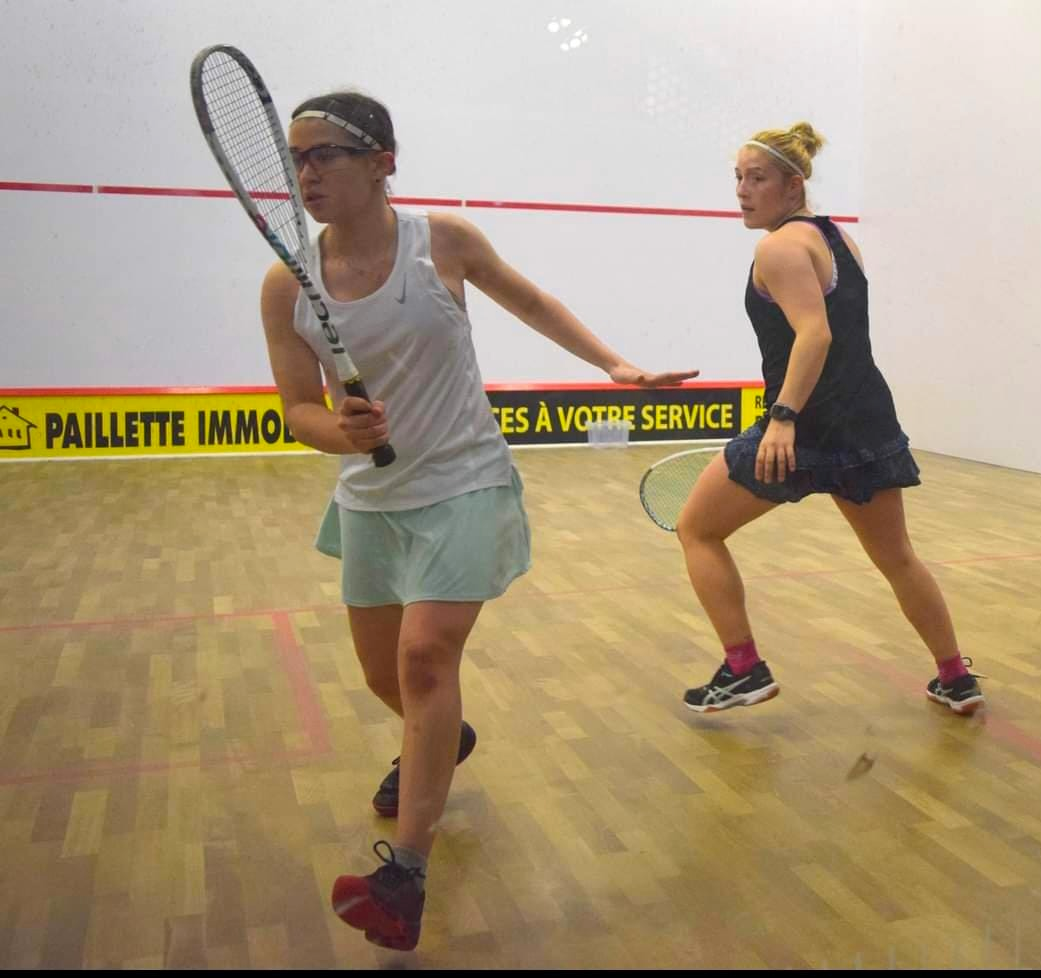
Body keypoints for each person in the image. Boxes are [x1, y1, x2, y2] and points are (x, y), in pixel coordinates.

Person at [260, 90, 698, 951]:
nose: (306, 174)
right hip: (373, 504)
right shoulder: (288, 283)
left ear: (383, 162)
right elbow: (294, 410)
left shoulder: (442, 243)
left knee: (425, 660)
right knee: (393, 684)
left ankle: (404, 875)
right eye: (297, 159)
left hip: (465, 482)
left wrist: (613, 363)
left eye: (325, 156)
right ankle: (442, 738)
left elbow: (528, 302)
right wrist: (336, 432)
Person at [677, 122, 985, 721]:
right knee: (897, 558)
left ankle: (743, 668)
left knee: (697, 530)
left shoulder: (779, 247)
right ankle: (955, 677)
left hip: (803, 428)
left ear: (793, 185)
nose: (742, 190)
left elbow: (815, 334)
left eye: (757, 178)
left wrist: (783, 419)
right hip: (865, 423)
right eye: (737, 177)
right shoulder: (836, 239)